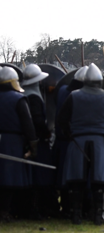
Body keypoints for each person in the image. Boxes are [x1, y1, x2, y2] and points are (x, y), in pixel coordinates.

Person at [57, 63, 104, 225]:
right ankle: (97, 217)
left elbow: (62, 120)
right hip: (100, 142)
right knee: (99, 182)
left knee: (77, 181)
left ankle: (76, 216)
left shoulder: (73, 96)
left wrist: (69, 134)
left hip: (77, 141)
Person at [0, 67, 38, 222]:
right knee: (8, 179)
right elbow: (27, 124)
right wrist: (33, 145)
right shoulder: (18, 99)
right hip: (11, 142)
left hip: (8, 140)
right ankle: (4, 212)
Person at [21, 64, 56, 219]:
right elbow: (37, 121)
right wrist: (45, 133)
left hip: (26, 140)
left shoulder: (24, 95)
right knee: (40, 176)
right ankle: (36, 209)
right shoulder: (34, 97)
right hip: (37, 141)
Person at [54, 66, 88, 218]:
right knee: (73, 176)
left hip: (63, 139)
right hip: (72, 140)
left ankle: (66, 207)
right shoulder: (76, 95)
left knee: (63, 176)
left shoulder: (62, 90)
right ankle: (72, 208)